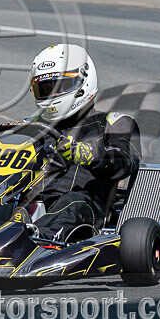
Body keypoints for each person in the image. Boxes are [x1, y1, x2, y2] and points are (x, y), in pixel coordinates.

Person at [24, 43, 141, 240]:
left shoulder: (114, 123)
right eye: (45, 88)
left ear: (83, 83)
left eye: (59, 87)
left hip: (86, 208)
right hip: (27, 206)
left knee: (72, 202)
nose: (52, 95)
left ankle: (34, 238)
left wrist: (87, 154)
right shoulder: (30, 126)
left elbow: (124, 162)